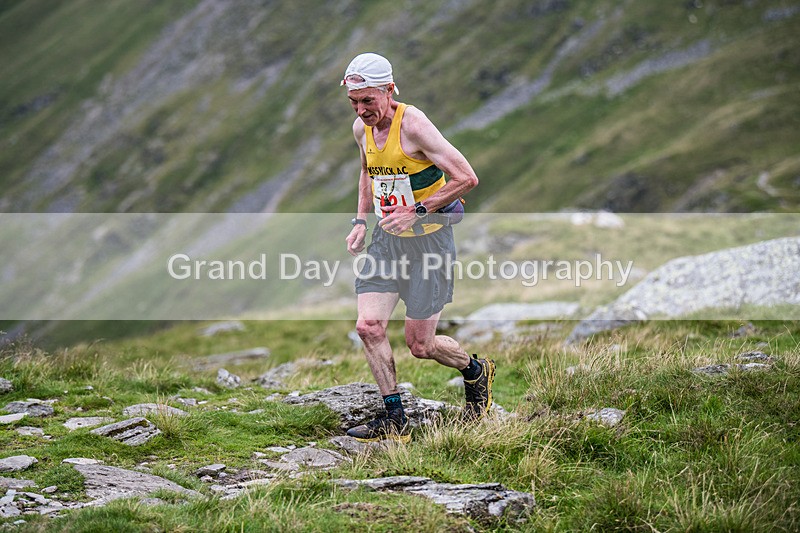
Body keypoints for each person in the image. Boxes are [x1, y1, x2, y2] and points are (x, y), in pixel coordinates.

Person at [342, 52, 495, 443]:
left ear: (389, 90)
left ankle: (475, 371)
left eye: (368, 100)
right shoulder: (361, 129)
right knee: (368, 326)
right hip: (387, 241)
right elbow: (367, 173)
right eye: (354, 102)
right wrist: (360, 221)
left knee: (421, 345)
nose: (361, 110)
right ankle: (395, 419)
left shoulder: (414, 125)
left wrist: (417, 210)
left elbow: (467, 178)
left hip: (430, 242)